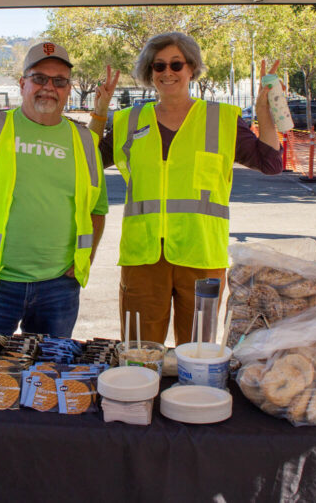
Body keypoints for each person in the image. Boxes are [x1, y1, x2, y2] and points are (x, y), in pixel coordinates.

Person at [88, 32, 284, 346]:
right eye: (158, 66)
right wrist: (99, 113)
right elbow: (88, 163)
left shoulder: (220, 119)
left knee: (198, 354)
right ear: (149, 73)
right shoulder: (128, 120)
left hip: (202, 256)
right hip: (143, 258)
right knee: (140, 352)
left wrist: (264, 110)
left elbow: (271, 163)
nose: (167, 72)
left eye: (176, 64)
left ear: (191, 69)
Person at [0, 41, 108, 336]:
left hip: (58, 288)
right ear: (22, 83)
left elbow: (97, 210)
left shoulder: (85, 142)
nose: (49, 87)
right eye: (39, 78)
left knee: (47, 377)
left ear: (69, 89)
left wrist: (86, 260)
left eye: (59, 81)